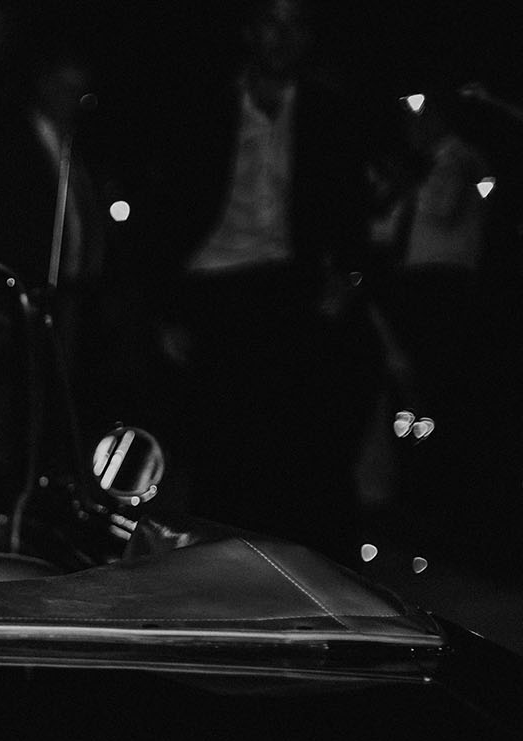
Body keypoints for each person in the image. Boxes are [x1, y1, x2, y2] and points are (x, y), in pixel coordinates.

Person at [142, 0, 373, 560]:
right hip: (214, 285)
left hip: (290, 286)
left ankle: (294, 567)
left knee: (295, 441)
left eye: (296, 23)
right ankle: (217, 565)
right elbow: (165, 207)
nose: (283, 36)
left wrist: (347, 278)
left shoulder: (328, 111)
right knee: (219, 442)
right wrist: (166, 307)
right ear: (250, 31)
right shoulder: (206, 107)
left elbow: (351, 207)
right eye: (272, 21)